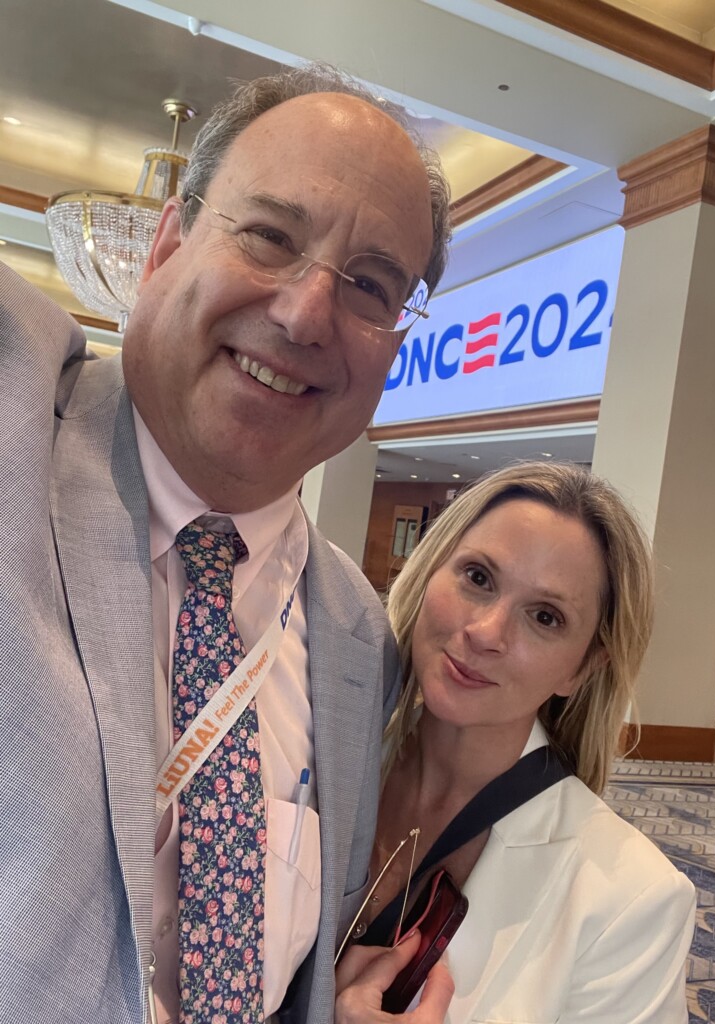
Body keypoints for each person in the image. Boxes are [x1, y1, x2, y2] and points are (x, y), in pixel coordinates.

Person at [0, 64, 454, 1024]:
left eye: (371, 285)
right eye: (268, 236)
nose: (303, 314)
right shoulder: (19, 417)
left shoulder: (357, 638)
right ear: (166, 243)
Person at [336, 462, 697, 1023]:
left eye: (545, 617)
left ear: (581, 668)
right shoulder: (322, 752)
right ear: (431, 572)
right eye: (478, 578)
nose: (486, 632)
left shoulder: (630, 898)